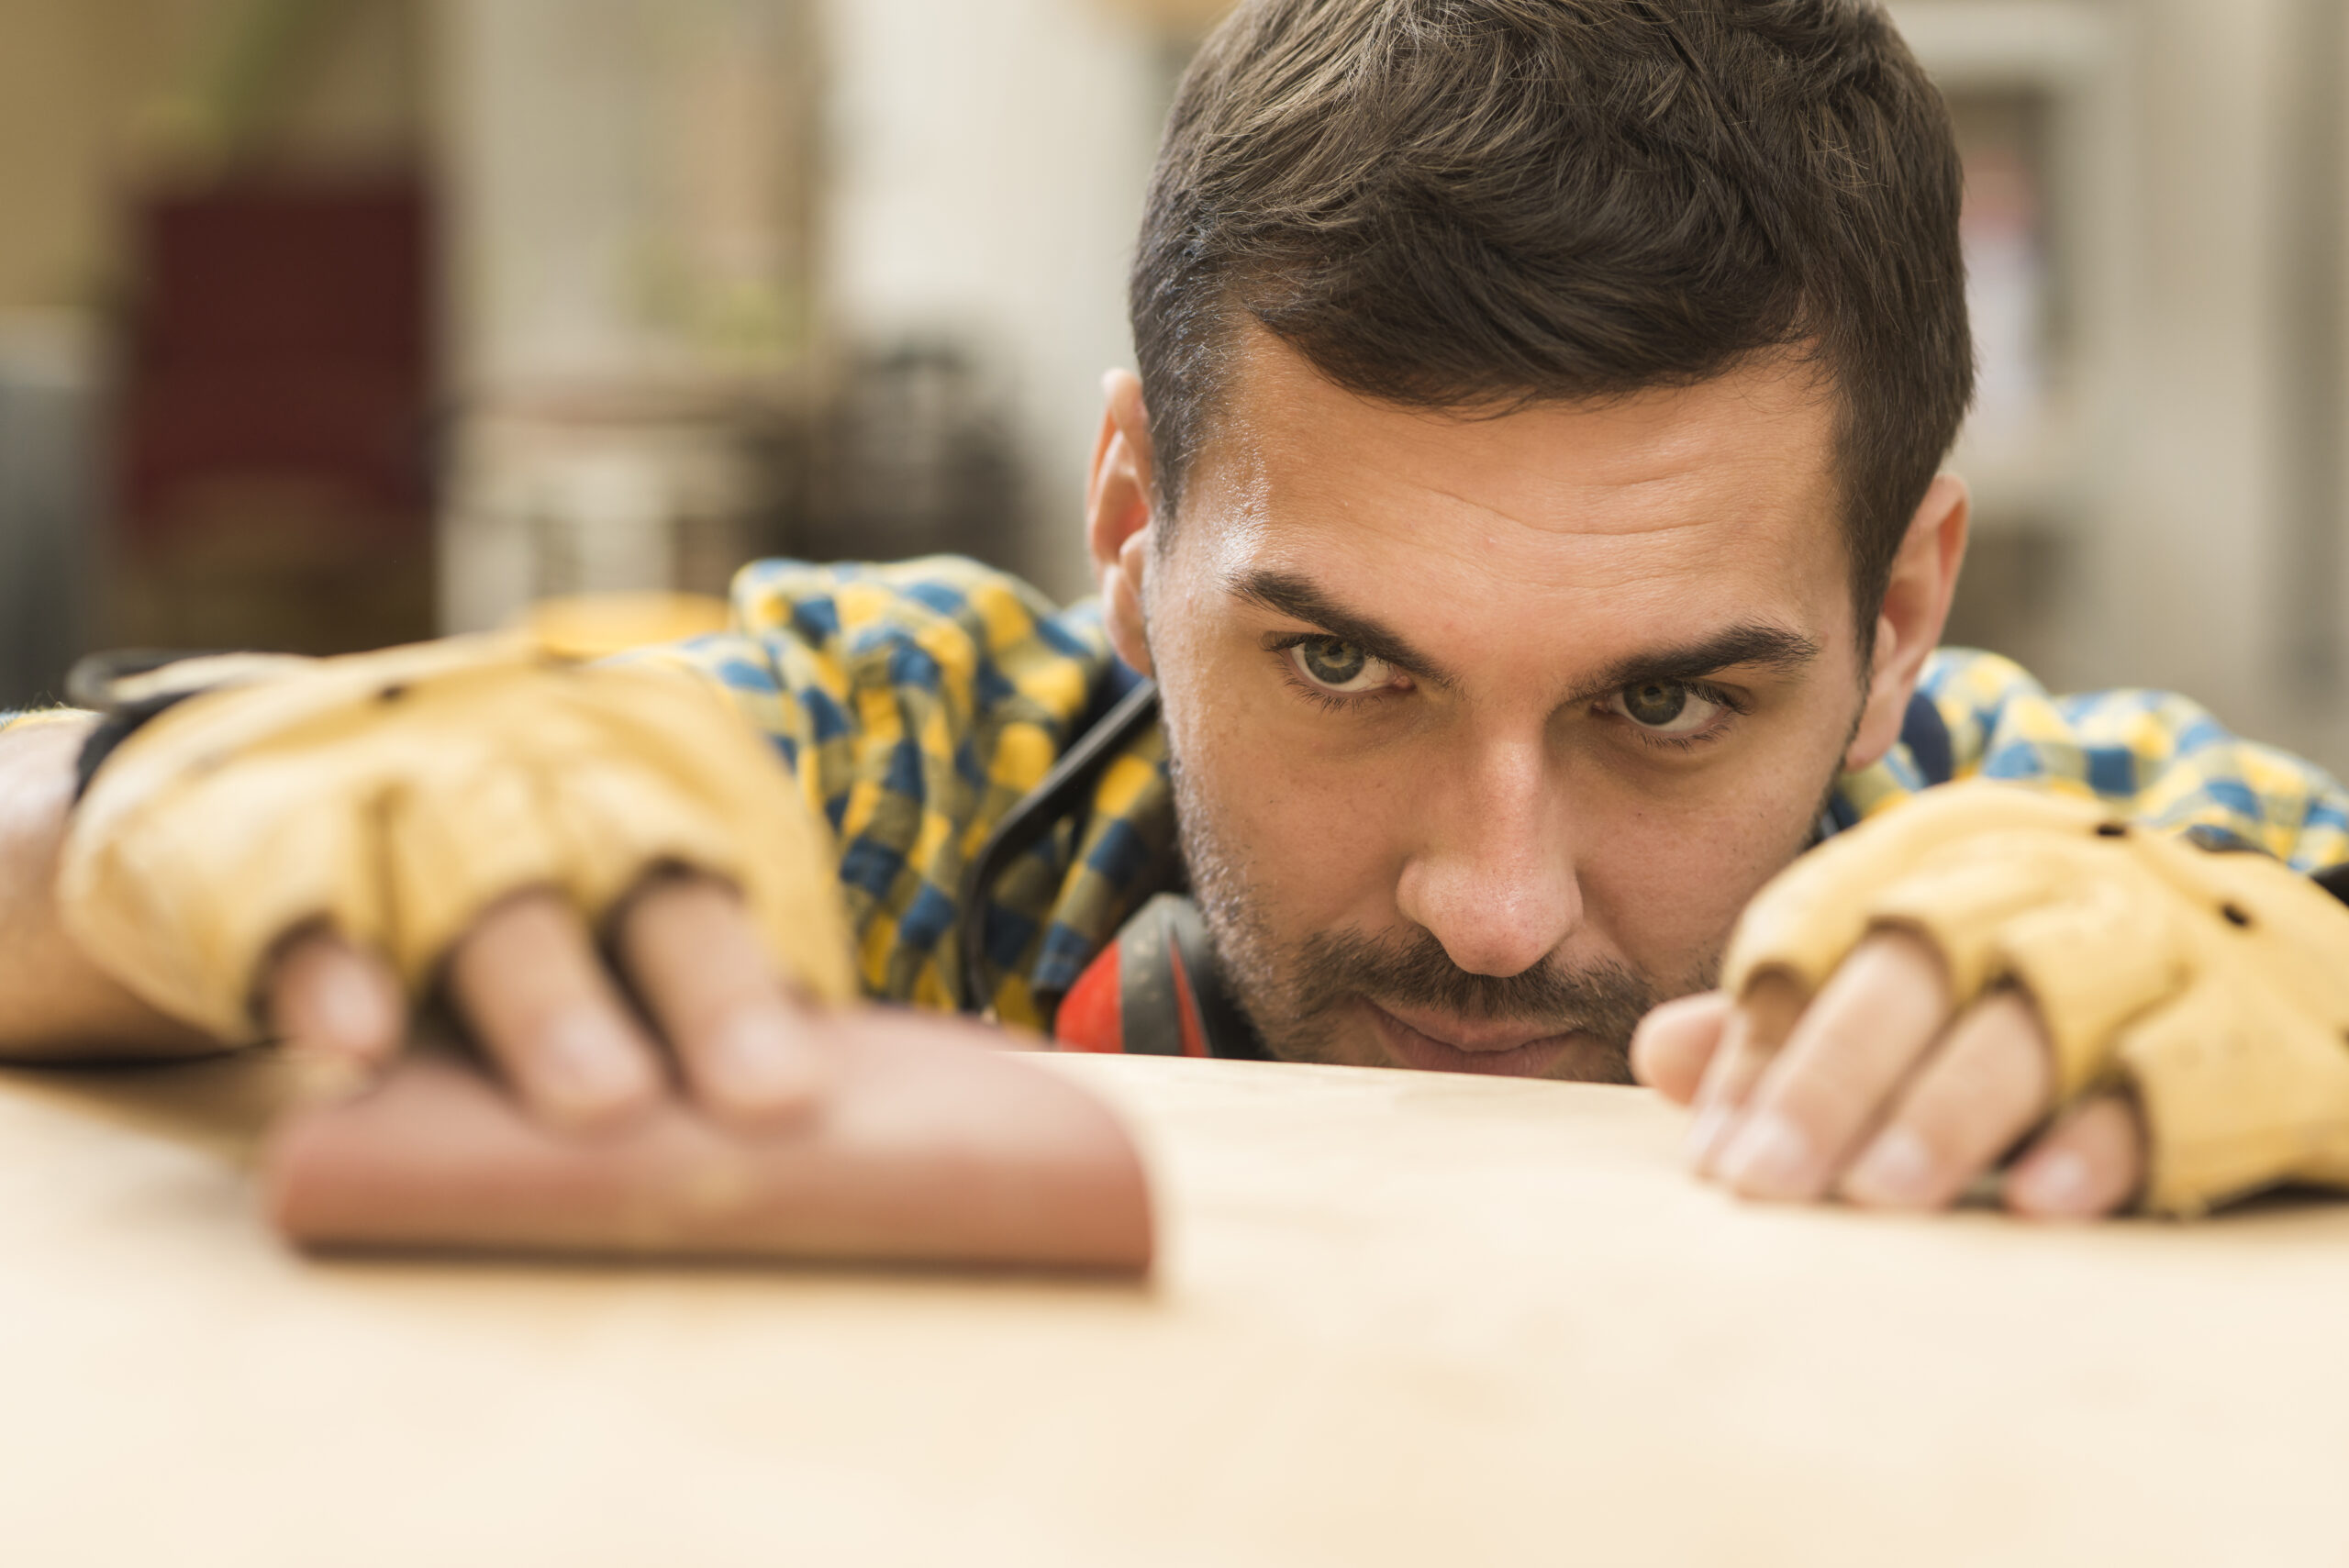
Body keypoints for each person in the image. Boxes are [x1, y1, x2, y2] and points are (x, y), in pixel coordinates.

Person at [8, 0, 2349, 1224]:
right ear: (1129, 518)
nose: (1494, 906)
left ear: (1903, 602)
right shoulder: (920, 768)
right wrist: (163, 803)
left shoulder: (2089, 868)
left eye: (1667, 705)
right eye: (1337, 662)